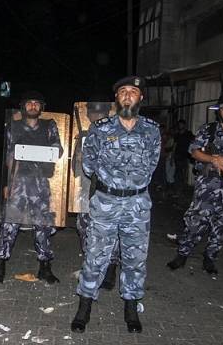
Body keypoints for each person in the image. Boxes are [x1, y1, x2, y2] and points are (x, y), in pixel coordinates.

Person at [70, 76, 160, 334]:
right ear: (117, 99)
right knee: (95, 256)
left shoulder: (152, 130)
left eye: (133, 91)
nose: (128, 95)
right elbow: (88, 165)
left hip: (137, 204)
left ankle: (131, 307)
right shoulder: (100, 128)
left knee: (135, 258)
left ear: (141, 97)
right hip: (106, 203)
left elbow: (153, 164)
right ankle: (84, 306)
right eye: (123, 91)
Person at [167, 92, 223, 275]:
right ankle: (182, 254)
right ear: (219, 110)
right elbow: (194, 152)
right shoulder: (208, 130)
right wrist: (214, 160)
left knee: (222, 224)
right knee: (196, 221)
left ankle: (210, 258)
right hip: (207, 186)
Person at [0, 90, 64, 285]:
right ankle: (0, 265)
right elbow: (9, 157)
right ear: (23, 107)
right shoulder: (13, 127)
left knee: (43, 225)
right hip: (18, 182)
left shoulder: (49, 126)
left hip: (40, 182)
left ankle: (45, 268)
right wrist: (7, 183)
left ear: (41, 108)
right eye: (29, 103)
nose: (33, 106)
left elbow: (57, 150)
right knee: (9, 224)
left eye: (36, 103)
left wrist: (31, 153)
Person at [72, 101, 120, 290]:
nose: (97, 117)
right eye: (93, 113)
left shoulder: (117, 134)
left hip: (109, 192)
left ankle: (110, 269)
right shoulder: (84, 135)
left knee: (111, 232)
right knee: (83, 227)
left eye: (101, 113)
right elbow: (75, 167)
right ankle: (90, 265)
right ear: (89, 115)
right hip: (87, 190)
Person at [173, 119, 193, 186]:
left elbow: (194, 141)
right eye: (179, 125)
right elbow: (175, 145)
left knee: (184, 170)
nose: (180, 126)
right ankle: (178, 185)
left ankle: (182, 184)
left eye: (181, 124)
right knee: (178, 171)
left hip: (185, 155)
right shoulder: (177, 134)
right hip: (178, 154)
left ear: (184, 125)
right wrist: (172, 155)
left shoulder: (188, 133)